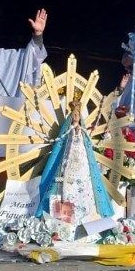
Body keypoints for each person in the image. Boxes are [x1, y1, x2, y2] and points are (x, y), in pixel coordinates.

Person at [36, 99, 114, 239]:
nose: (76, 117)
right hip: (68, 168)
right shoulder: (67, 130)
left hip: (83, 170)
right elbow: (61, 144)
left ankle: (89, 229)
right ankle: (63, 229)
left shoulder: (82, 130)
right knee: (65, 190)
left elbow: (87, 143)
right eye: (75, 115)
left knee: (86, 192)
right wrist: (73, 129)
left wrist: (79, 131)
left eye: (78, 115)